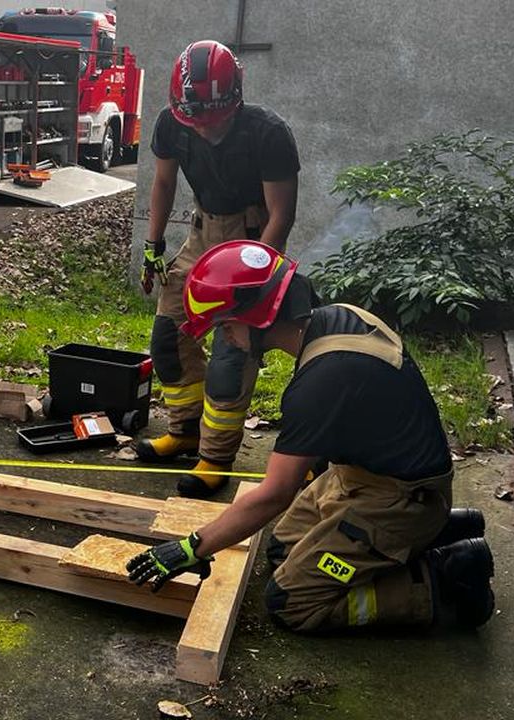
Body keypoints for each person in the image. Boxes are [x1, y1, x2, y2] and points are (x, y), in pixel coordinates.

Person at [126, 240, 495, 632]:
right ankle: (435, 530)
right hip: (366, 477)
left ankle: (444, 577)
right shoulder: (339, 318)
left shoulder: (322, 380)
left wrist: (192, 547)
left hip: (400, 499)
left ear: (257, 318)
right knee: (281, 550)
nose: (226, 339)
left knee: (290, 601)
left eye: (226, 327)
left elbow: (274, 495)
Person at [135, 40, 300, 499]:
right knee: (168, 338)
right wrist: (152, 246)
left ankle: (216, 457)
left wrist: (257, 279)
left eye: (214, 119)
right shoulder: (173, 122)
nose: (204, 128)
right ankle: (185, 432)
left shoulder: (268, 134)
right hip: (201, 235)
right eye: (196, 120)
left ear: (235, 99)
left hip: (251, 242)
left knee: (232, 352)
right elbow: (163, 181)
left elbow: (282, 215)